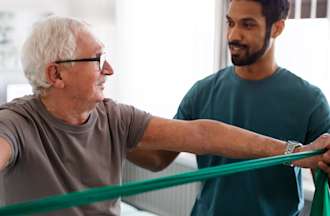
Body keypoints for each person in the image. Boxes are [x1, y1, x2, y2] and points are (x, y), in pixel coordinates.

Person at [0, 15, 328, 216]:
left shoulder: (113, 116)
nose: (110, 70)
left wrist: (294, 153)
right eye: (97, 60)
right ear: (56, 75)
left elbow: (202, 135)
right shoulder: (15, 123)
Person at [130, 0, 330, 215]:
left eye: (247, 25)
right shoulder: (202, 92)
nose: (233, 35)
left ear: (277, 28)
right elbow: (159, 158)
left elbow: (324, 180)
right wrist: (108, 134)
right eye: (230, 23)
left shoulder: (309, 100)